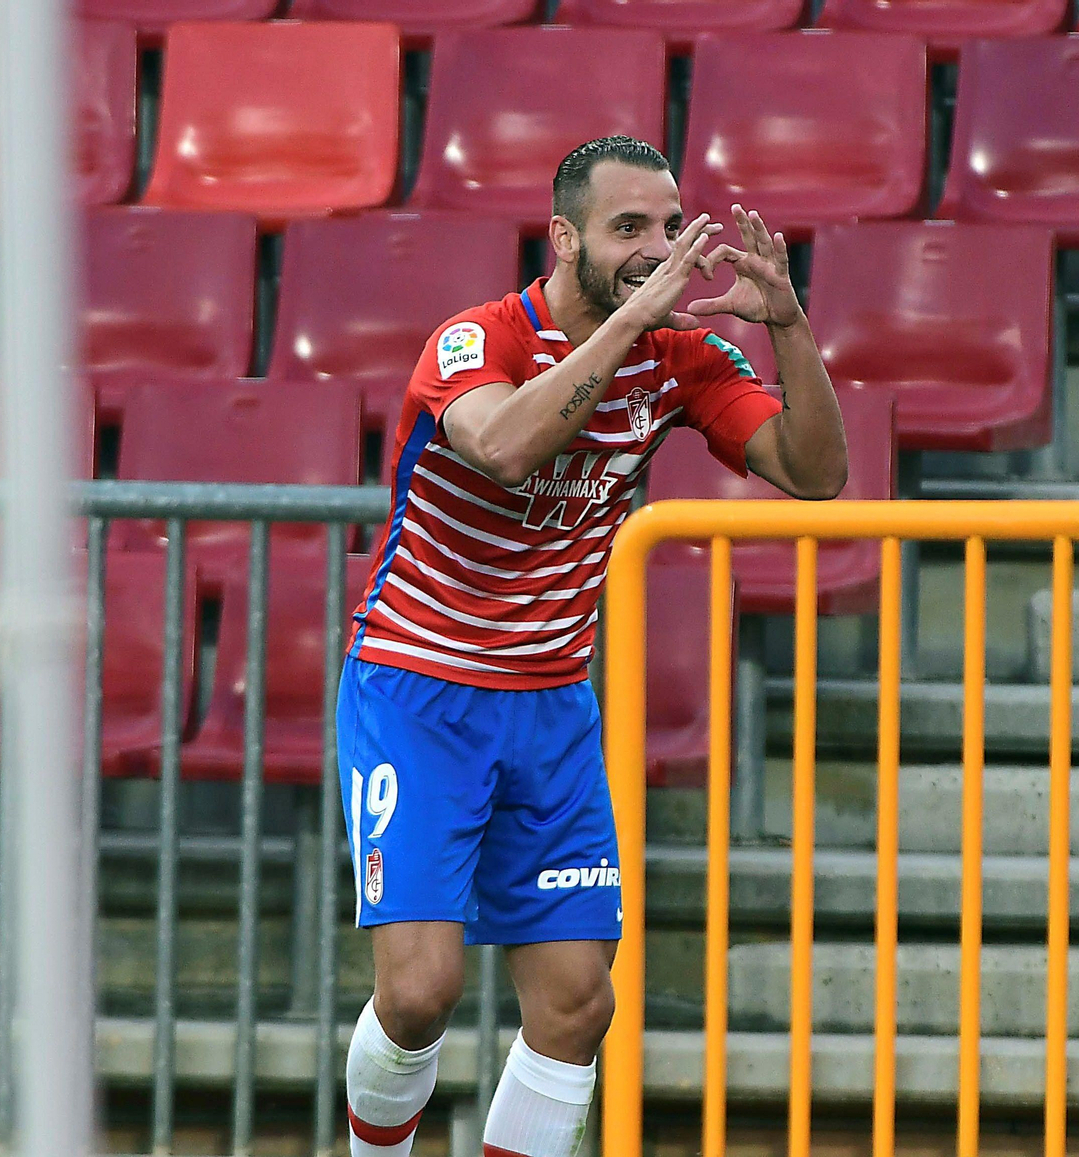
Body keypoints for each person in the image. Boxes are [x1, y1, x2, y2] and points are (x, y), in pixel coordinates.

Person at [335, 134, 848, 1157]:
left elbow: (814, 470)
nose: (657, 249)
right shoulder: (474, 341)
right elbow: (507, 443)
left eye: (667, 227)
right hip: (418, 687)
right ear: (564, 237)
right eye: (628, 229)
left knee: (576, 1004)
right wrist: (629, 323)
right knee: (421, 991)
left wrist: (788, 325)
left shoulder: (677, 357)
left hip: (552, 706)